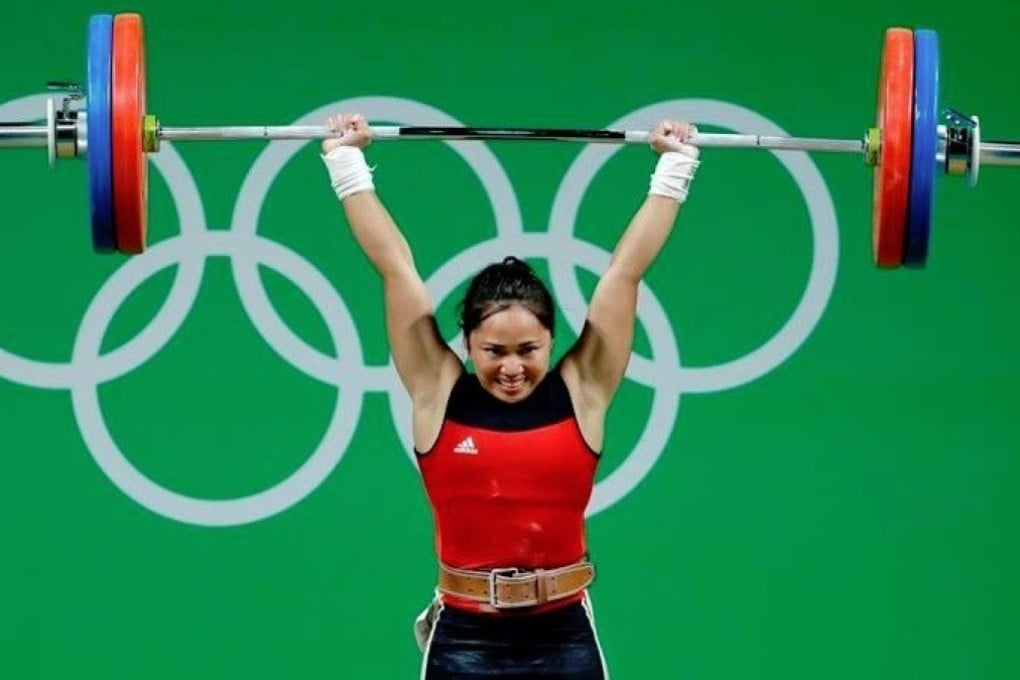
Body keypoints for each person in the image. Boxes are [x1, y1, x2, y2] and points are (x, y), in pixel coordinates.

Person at [320, 112, 700, 679]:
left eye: (528, 349)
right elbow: (394, 267)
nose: (513, 368)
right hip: (466, 640)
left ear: (552, 339)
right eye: (494, 352)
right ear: (467, 343)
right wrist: (347, 161)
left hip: (565, 634)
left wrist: (675, 167)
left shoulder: (585, 387)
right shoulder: (437, 389)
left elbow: (624, 273)